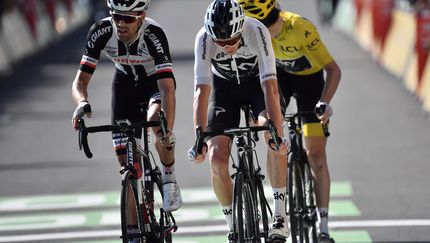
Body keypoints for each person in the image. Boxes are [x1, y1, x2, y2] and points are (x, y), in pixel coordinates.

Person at [238, 0, 342, 242]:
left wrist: (324, 102)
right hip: (280, 79)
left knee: (315, 154)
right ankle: (280, 213)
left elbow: (334, 70)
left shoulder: (300, 27)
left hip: (310, 83)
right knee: (274, 133)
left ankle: (323, 226)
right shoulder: (255, 34)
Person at [187, 0, 289, 242]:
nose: (227, 46)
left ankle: (279, 216)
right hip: (224, 91)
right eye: (221, 43)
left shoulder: (256, 31)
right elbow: (201, 92)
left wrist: (277, 130)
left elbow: (270, 86)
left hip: (257, 86)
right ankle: (232, 225)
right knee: (216, 157)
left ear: (241, 27)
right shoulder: (203, 38)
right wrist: (199, 138)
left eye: (232, 40)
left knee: (271, 135)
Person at [71, 0, 182, 221]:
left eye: (128, 18)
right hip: (123, 87)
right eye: (116, 17)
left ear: (141, 16)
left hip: (154, 85)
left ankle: (169, 177)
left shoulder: (154, 34)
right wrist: (81, 103)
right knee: (128, 169)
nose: (120, 23)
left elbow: (167, 89)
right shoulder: (101, 31)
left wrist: (166, 128)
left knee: (155, 121)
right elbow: (80, 81)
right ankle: (133, 232)